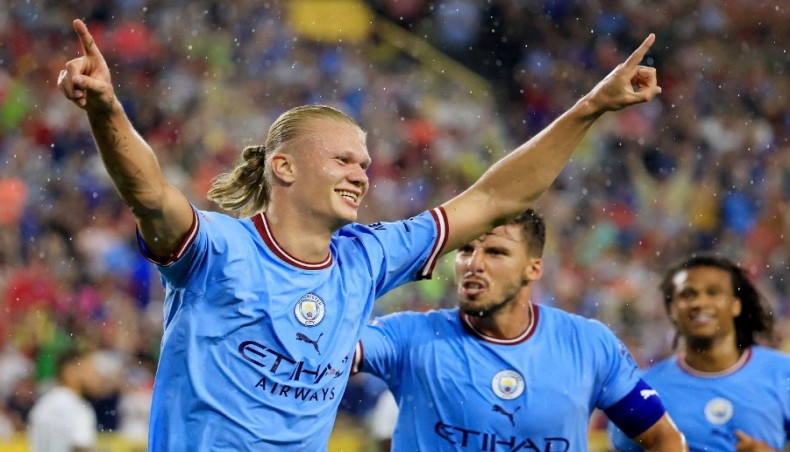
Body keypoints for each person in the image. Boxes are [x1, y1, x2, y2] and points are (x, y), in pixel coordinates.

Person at [57, 17, 662, 450]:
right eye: (344, 159)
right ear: (284, 166)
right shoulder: (218, 250)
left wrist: (589, 107)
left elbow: (498, 197)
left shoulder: (367, 257)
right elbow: (148, 194)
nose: (361, 173)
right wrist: (107, 108)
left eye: (365, 163)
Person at [352, 209, 686, 451]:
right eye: (466, 249)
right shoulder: (410, 337)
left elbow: (662, 438)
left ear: (533, 269)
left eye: (496, 252)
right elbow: (328, 348)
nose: (474, 263)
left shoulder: (588, 344)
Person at [609, 255, 790, 451]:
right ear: (671, 309)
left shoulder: (783, 373)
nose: (700, 302)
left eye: (713, 292)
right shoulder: (644, 391)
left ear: (736, 305)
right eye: (687, 294)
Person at [27, 348, 99, 452]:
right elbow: (81, 448)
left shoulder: (43, 404)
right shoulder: (78, 408)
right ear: (70, 371)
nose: (95, 376)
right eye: (88, 369)